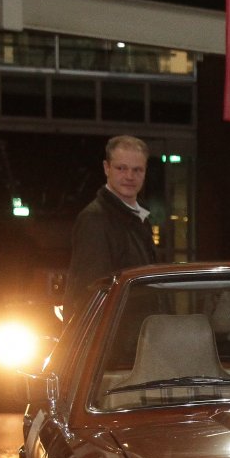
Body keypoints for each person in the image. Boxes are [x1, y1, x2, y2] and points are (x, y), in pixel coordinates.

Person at [64, 135, 159, 321]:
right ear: (106, 168)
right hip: (117, 335)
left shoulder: (139, 217)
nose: (130, 176)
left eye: (137, 170)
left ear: (145, 171)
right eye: (121, 168)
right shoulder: (95, 219)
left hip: (138, 332)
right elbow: (90, 292)